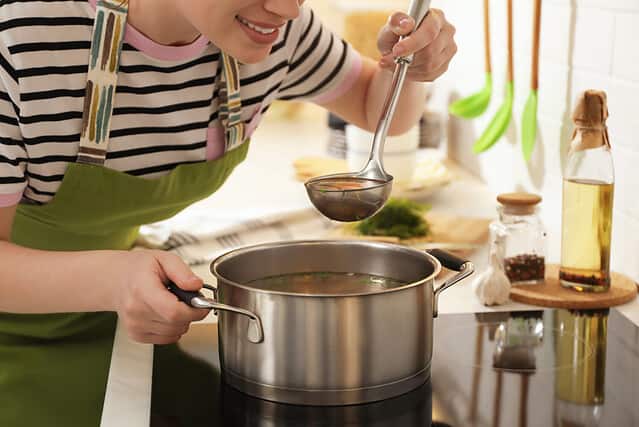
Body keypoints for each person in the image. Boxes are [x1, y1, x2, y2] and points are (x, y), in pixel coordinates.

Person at [0, 0, 456, 425]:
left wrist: (409, 70)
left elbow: (375, 109)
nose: (288, 8)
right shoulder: (23, 42)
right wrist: (116, 279)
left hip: (119, 319)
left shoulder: (276, 32)